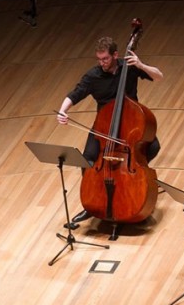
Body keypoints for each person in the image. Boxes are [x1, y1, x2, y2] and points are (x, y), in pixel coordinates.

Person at [56, 36, 163, 224]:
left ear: (115, 55)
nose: (102, 63)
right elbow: (75, 93)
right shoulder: (93, 75)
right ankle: (92, 205)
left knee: (153, 147)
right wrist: (63, 111)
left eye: (105, 59)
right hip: (104, 126)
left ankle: (138, 191)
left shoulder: (129, 66)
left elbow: (158, 76)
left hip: (131, 124)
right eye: (99, 59)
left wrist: (141, 65)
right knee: (88, 159)